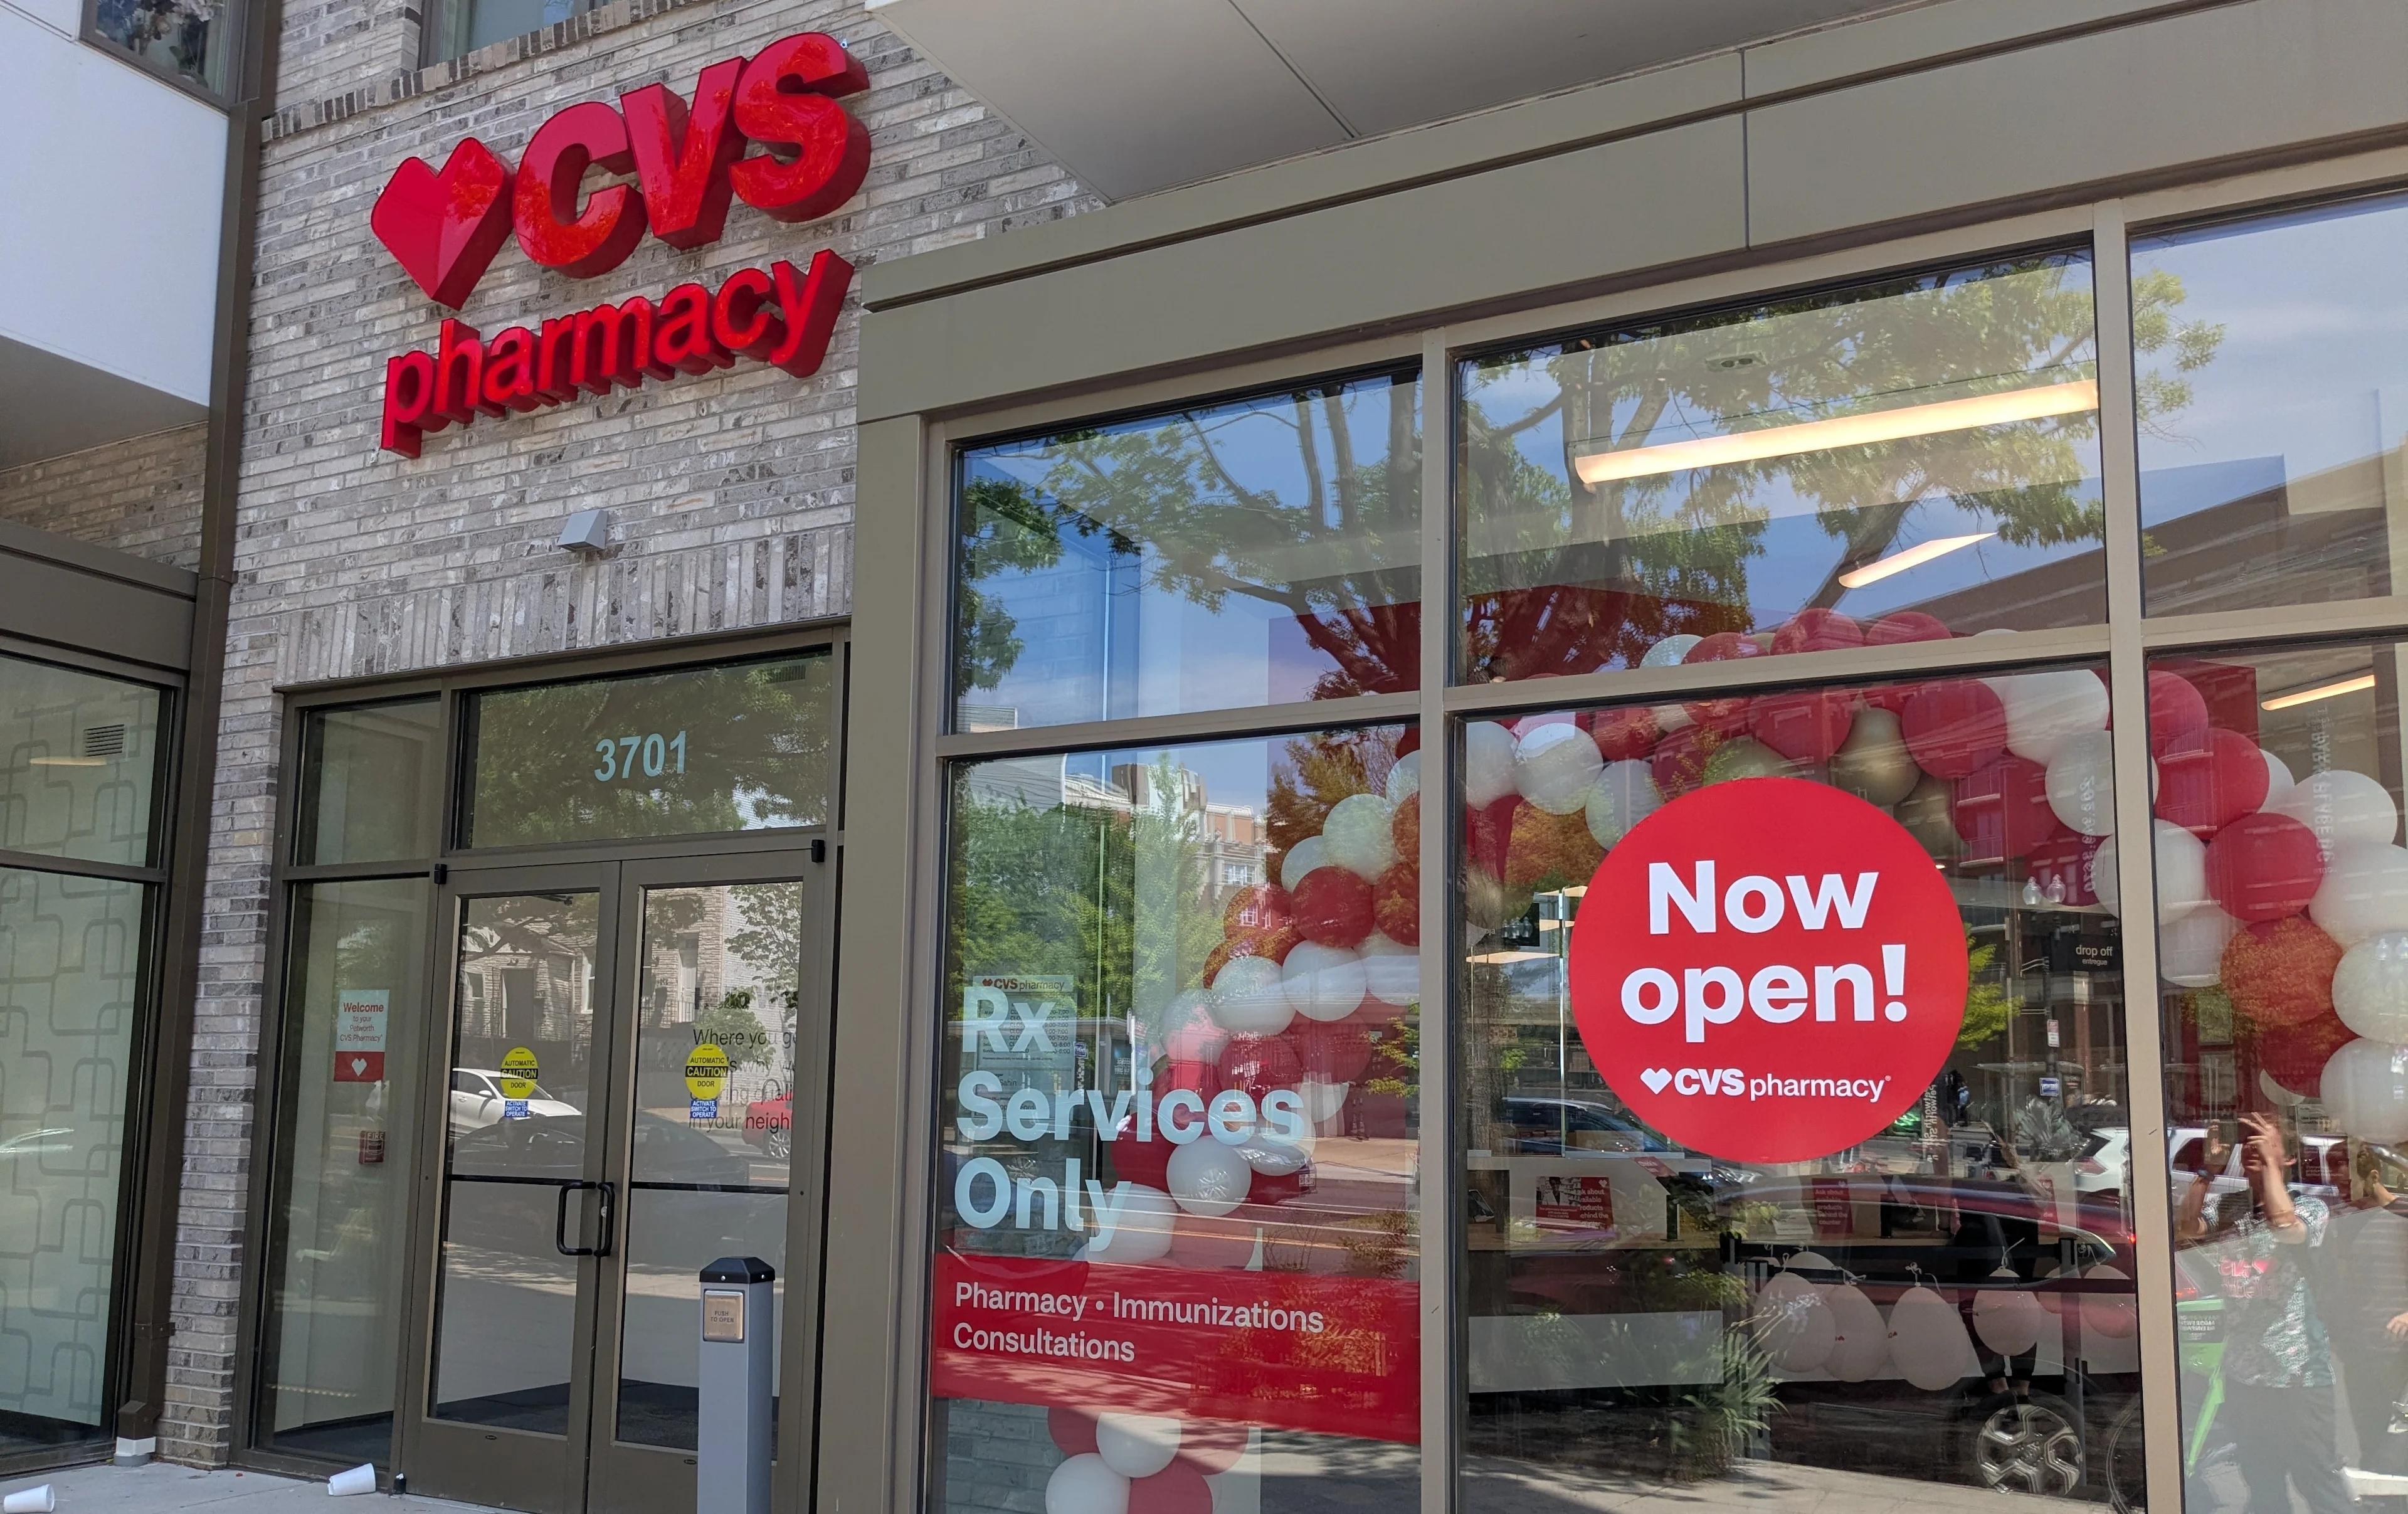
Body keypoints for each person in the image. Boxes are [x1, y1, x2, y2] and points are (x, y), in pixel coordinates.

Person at [2177, 1112, 2351, 1514]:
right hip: (2244, 1375)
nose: (2252, 1151)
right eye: (2249, 1146)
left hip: (2299, 1375)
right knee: (2261, 1480)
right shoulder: (2231, 1205)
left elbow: (2285, 1228)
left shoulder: (2312, 1208)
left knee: (2317, 1479)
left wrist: (2272, 1163)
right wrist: (2206, 1173)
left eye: (2263, 1145)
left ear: (2289, 1159)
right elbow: (2186, 1230)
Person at [2329, 1144, 2408, 1506]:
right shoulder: (2342, 1221)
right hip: (2359, 1352)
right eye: (2333, 1174)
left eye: (2347, 1177)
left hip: (2400, 1356)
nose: (2339, 1184)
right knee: (2370, 1444)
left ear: (2372, 1177)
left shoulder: (2403, 1214)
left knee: (2397, 1451)